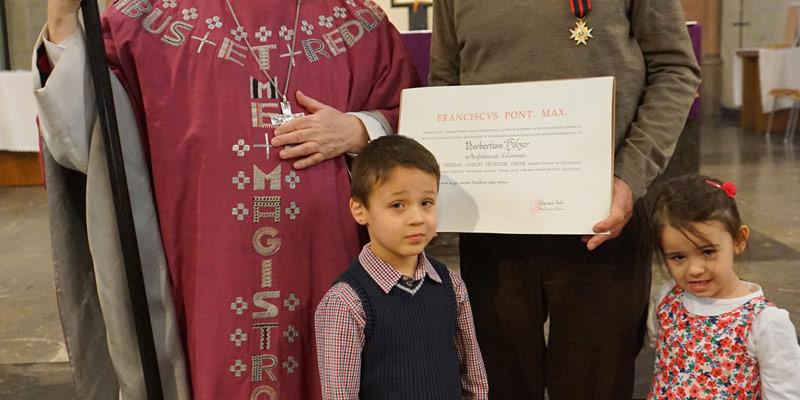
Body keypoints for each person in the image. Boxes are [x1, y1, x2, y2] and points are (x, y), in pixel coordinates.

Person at [33, 0, 420, 399]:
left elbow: (416, 120)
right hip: (200, 274)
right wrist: (62, 21)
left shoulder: (358, 21)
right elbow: (90, 146)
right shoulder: (143, 19)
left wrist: (359, 129)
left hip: (325, 267)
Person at [430, 0, 702, 398]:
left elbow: (675, 70)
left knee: (597, 383)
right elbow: (445, 83)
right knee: (500, 381)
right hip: (493, 221)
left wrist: (629, 175)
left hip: (604, 216)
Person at [314, 135, 489, 399]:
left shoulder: (452, 285)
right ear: (360, 209)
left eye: (426, 203)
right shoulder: (346, 302)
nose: (417, 218)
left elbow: (475, 380)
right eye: (398, 205)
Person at [648, 174, 800, 399]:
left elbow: (784, 393)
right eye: (678, 257)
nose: (694, 269)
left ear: (739, 240)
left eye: (708, 252)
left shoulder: (765, 322)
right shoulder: (668, 298)